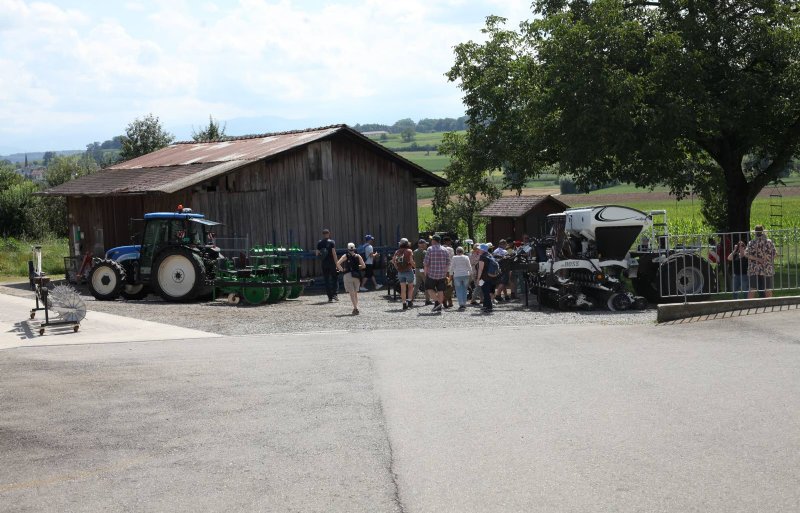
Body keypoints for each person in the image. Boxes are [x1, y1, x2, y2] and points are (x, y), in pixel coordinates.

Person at [746, 225, 777, 298]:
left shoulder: (751, 242)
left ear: (755, 233)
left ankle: (748, 305)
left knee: (752, 288)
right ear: (763, 231)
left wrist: (757, 259)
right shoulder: (769, 242)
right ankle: (769, 305)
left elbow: (746, 254)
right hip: (767, 267)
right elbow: (774, 254)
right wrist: (768, 258)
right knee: (768, 288)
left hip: (754, 268)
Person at [423, 234, 451, 312]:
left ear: (434, 241)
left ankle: (438, 302)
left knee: (429, 289)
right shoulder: (445, 250)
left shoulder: (430, 249)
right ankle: (439, 306)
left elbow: (426, 263)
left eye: (432, 240)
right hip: (442, 274)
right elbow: (448, 263)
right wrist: (445, 272)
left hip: (431, 274)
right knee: (440, 290)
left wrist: (425, 273)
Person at [337, 242, 366, 314]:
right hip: (356, 275)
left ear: (348, 249)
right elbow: (364, 266)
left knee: (351, 293)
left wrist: (342, 270)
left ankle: (355, 308)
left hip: (348, 275)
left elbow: (338, 263)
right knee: (355, 293)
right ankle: (356, 307)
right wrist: (357, 267)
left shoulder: (345, 256)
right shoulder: (358, 256)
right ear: (354, 249)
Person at [392, 238, 415, 310]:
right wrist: (415, 267)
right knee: (410, 287)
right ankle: (410, 301)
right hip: (408, 271)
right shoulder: (409, 251)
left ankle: (404, 303)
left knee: (403, 289)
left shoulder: (397, 251)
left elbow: (393, 261)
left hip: (400, 272)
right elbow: (411, 261)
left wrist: (397, 269)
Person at [316, 228, 338, 302]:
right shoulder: (332, 242)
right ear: (329, 234)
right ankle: (335, 294)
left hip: (324, 264)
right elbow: (334, 253)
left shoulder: (319, 243)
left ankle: (330, 297)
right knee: (334, 278)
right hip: (332, 263)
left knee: (326, 280)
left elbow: (317, 254)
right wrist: (337, 263)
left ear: (323, 234)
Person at [476, 244, 498, 313]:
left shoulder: (482, 257)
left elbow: (480, 269)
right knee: (486, 291)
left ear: (483, 250)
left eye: (479, 249)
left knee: (486, 292)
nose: (478, 250)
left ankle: (489, 307)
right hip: (491, 276)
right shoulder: (489, 255)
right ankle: (485, 306)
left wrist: (478, 278)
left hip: (484, 277)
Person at [451, 246, 472, 311]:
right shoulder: (466, 257)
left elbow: (452, 267)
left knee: (458, 290)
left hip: (457, 275)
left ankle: (461, 304)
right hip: (465, 275)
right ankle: (464, 303)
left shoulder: (454, 257)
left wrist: (451, 275)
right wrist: (471, 274)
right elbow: (469, 266)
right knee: (465, 290)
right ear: (463, 252)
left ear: (456, 252)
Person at [413, 239, 430, 305]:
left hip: (417, 269)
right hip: (423, 270)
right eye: (425, 244)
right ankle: (427, 300)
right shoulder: (424, 252)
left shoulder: (414, 251)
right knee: (426, 285)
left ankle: (410, 300)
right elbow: (425, 263)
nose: (426, 245)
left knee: (417, 285)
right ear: (422, 244)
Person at [442, 236, 456, 308]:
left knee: (444, 286)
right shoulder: (450, 249)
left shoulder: (440, 249)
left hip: (441, 270)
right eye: (450, 241)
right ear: (447, 242)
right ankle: (446, 300)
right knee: (449, 286)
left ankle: (449, 301)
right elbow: (452, 259)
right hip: (449, 270)